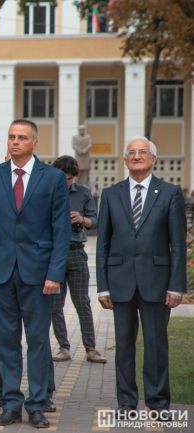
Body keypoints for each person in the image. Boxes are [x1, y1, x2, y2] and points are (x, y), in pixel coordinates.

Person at [0, 119, 70, 428]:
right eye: (11, 137)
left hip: (39, 274)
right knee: (5, 342)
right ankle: (11, 404)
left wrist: (55, 273)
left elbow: (61, 231)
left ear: (35, 143)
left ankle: (38, 405)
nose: (15, 141)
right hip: (1, 273)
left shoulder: (53, 177)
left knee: (38, 341)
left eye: (22, 137)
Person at [96, 137, 186, 419]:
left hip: (157, 282)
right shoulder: (110, 194)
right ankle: (126, 401)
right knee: (123, 345)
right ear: (125, 159)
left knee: (156, 345)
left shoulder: (170, 193)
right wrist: (102, 287)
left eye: (142, 152)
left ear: (153, 159)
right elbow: (102, 244)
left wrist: (176, 286)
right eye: (131, 152)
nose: (136, 156)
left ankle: (157, 403)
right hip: (120, 281)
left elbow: (177, 244)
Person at [50, 156, 106, 364]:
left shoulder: (82, 192)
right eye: (61, 178)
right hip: (52, 255)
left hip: (75, 252)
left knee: (82, 302)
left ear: (73, 176)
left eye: (68, 178)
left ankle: (90, 349)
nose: (64, 182)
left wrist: (82, 219)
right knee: (55, 305)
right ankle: (63, 348)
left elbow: (95, 221)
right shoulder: (46, 191)